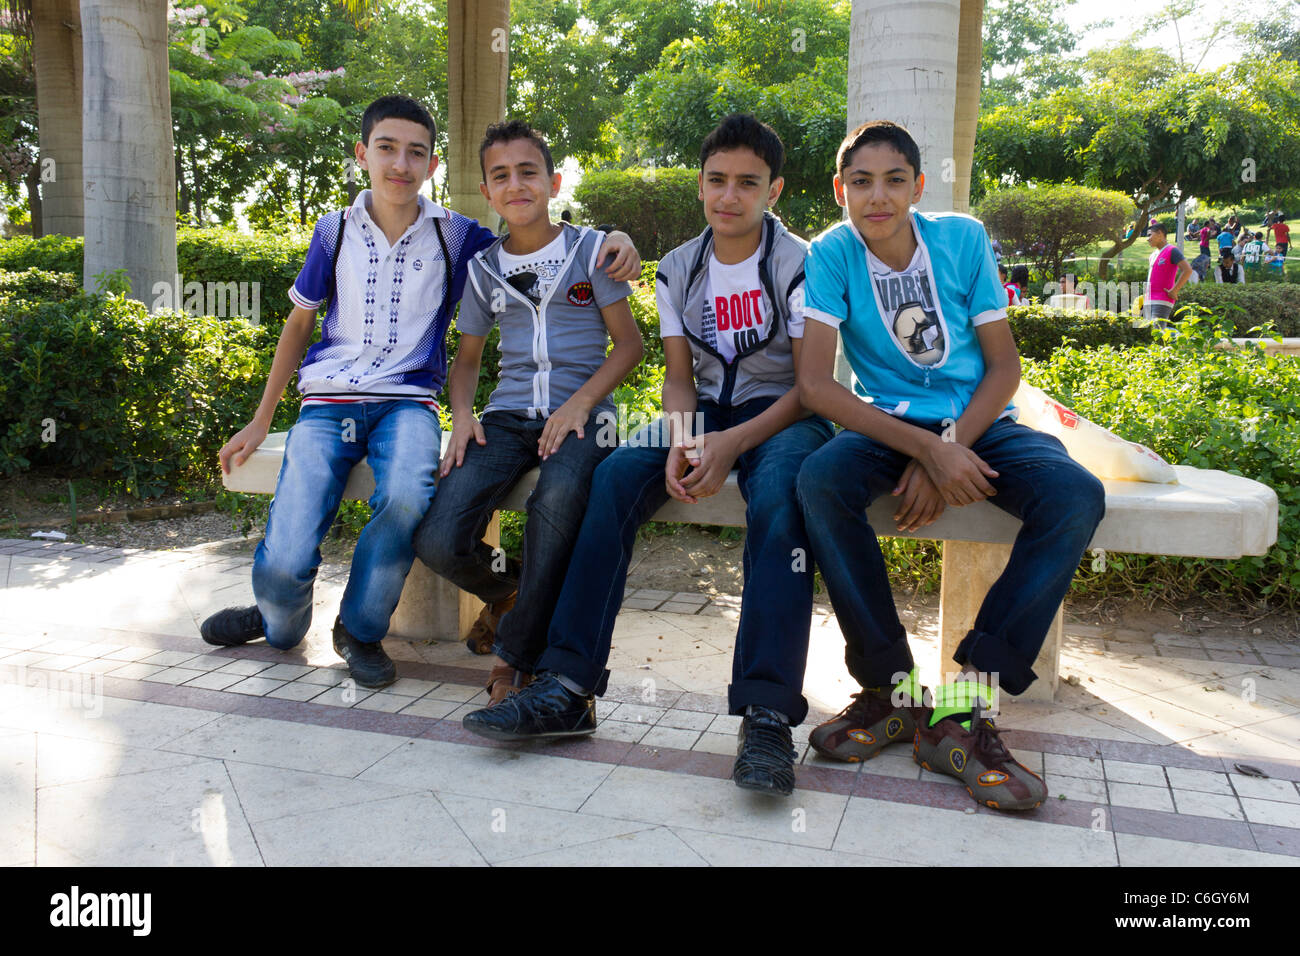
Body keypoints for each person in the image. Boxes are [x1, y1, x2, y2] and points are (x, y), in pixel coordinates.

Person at [198, 96, 639, 688]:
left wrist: (617, 233)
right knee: (301, 548)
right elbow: (301, 324)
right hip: (330, 403)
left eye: (416, 153)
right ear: (362, 154)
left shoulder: (460, 239)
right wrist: (261, 420)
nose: (400, 164)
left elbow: (544, 241)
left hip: (410, 403)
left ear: (432, 166)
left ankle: (361, 630)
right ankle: (277, 615)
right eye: (386, 149)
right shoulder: (336, 232)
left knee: (411, 499)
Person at [459, 114, 835, 798]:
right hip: (704, 415)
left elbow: (813, 387)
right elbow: (678, 374)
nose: (730, 197)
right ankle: (568, 686)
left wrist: (731, 444)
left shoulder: (805, 264)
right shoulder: (679, 269)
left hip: (786, 415)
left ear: (773, 190)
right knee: (613, 479)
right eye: (717, 181)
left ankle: (767, 716)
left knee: (780, 507)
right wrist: (688, 435)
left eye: (747, 184)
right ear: (699, 185)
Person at [795, 119, 1105, 812]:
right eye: (862, 182)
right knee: (820, 480)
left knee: (1075, 497)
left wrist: (950, 446)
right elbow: (816, 385)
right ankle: (890, 691)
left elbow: (1004, 366)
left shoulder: (961, 238)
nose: (878, 197)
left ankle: (963, 705)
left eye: (894, 180)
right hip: (893, 424)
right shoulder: (832, 254)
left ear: (918, 186)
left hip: (982, 421)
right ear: (840, 190)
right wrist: (924, 449)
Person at [411, 121, 643, 704]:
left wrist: (580, 404)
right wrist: (462, 416)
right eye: (501, 176)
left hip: (587, 416)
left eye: (528, 172)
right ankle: (513, 587)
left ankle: (513, 661)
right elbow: (466, 360)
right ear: (487, 192)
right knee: (439, 536)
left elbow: (630, 347)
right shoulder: (484, 269)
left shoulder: (594, 251)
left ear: (553, 181)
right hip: (509, 417)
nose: (516, 185)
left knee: (556, 503)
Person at [1144, 220, 1192, 324]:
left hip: (1162, 299)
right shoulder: (1153, 255)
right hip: (1149, 299)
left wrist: (1174, 290)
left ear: (1160, 234)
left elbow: (1187, 270)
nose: (1148, 239)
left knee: (1157, 332)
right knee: (1148, 333)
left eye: (1149, 235)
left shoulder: (1172, 250)